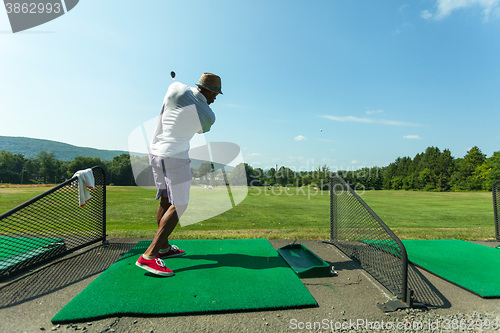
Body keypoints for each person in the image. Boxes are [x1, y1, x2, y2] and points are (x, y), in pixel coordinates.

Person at [135, 73, 222, 276]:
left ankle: (164, 248)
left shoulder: (175, 88)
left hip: (155, 153)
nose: (215, 98)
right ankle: (149, 256)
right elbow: (201, 131)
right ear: (207, 90)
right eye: (215, 93)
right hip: (176, 158)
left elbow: (175, 88)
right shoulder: (208, 115)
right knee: (179, 204)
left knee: (166, 199)